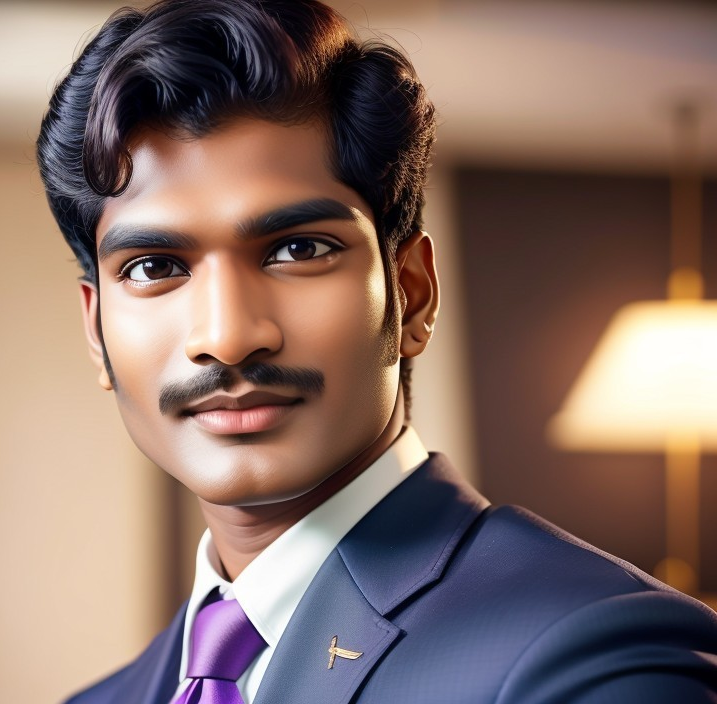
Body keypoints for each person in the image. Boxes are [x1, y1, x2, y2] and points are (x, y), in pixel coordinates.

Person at [36, 1, 717, 701]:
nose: (227, 335)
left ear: (412, 293)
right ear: (97, 333)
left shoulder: (600, 656)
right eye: (154, 267)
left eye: (298, 249)